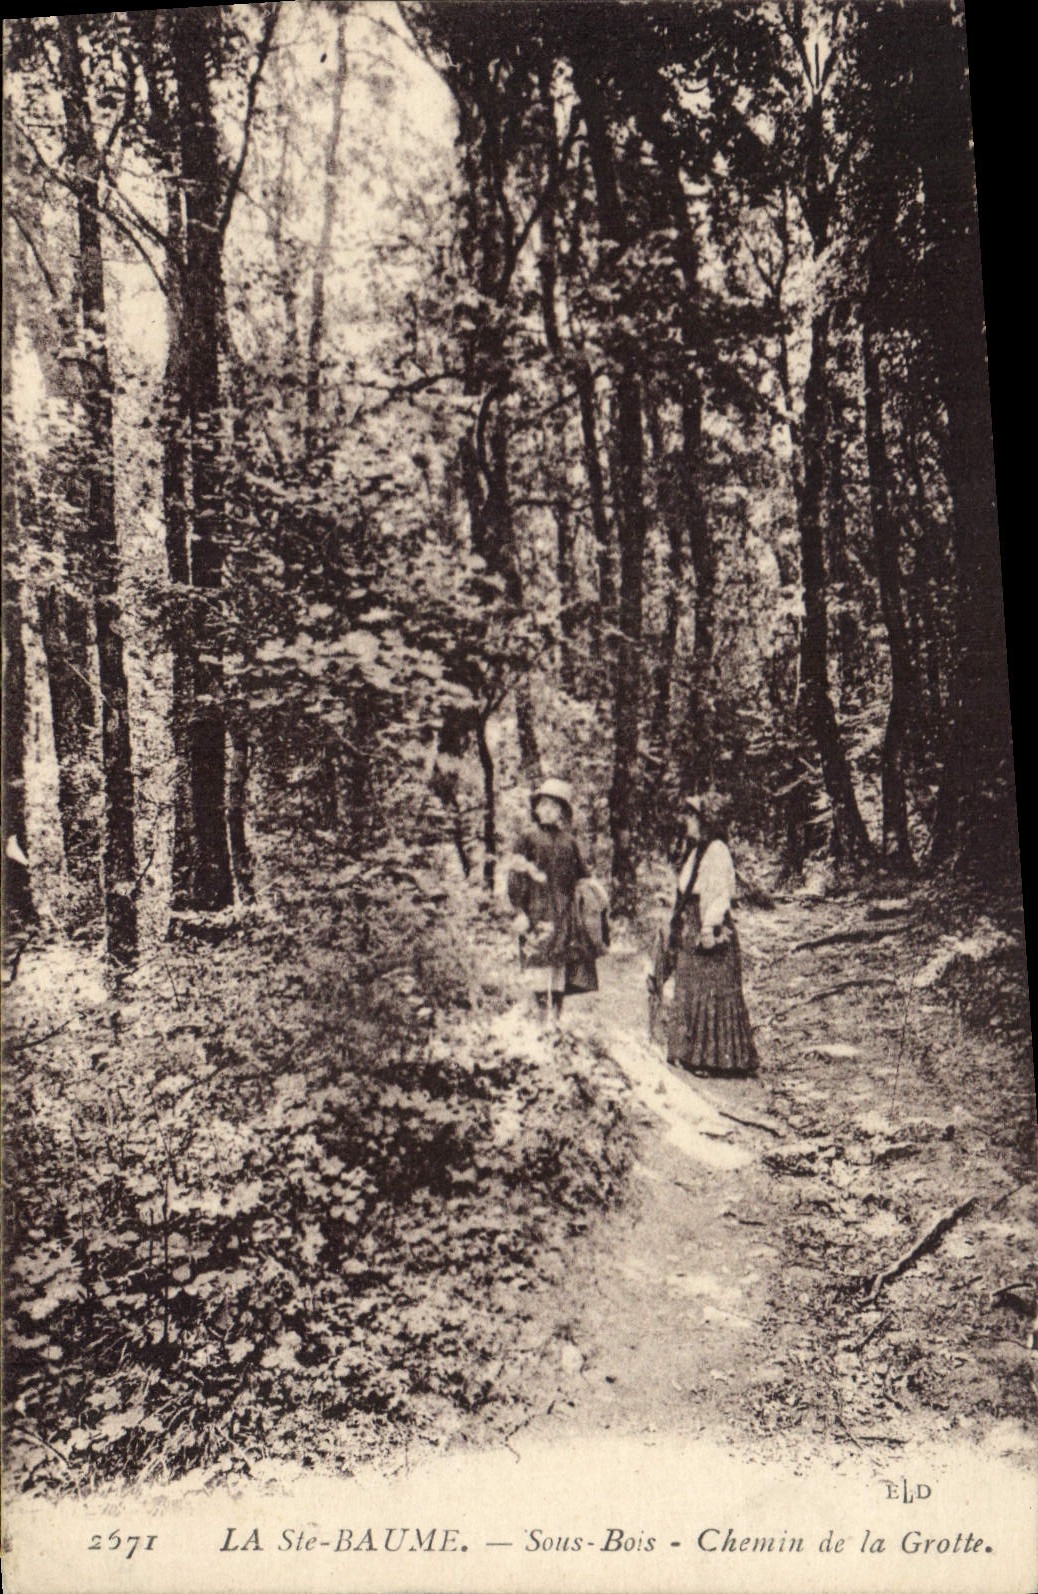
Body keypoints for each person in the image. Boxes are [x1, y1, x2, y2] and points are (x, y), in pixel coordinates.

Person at [653, 793, 759, 1077]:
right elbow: (686, 890)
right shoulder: (696, 850)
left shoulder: (717, 850)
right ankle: (690, 1054)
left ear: (705, 821)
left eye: (692, 817)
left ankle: (714, 1060)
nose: (686, 822)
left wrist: (709, 927)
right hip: (691, 923)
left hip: (707, 925)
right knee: (690, 986)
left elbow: (720, 893)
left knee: (710, 990)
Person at [506, 778, 598, 1018]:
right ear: (536, 808)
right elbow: (515, 877)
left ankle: (555, 1022)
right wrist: (519, 911)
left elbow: (583, 878)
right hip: (536, 912)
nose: (547, 810)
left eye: (554, 806)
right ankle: (540, 1021)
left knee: (559, 968)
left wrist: (591, 902)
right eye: (543, 804)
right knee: (539, 965)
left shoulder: (569, 842)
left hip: (564, 913)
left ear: (561, 812)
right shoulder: (527, 838)